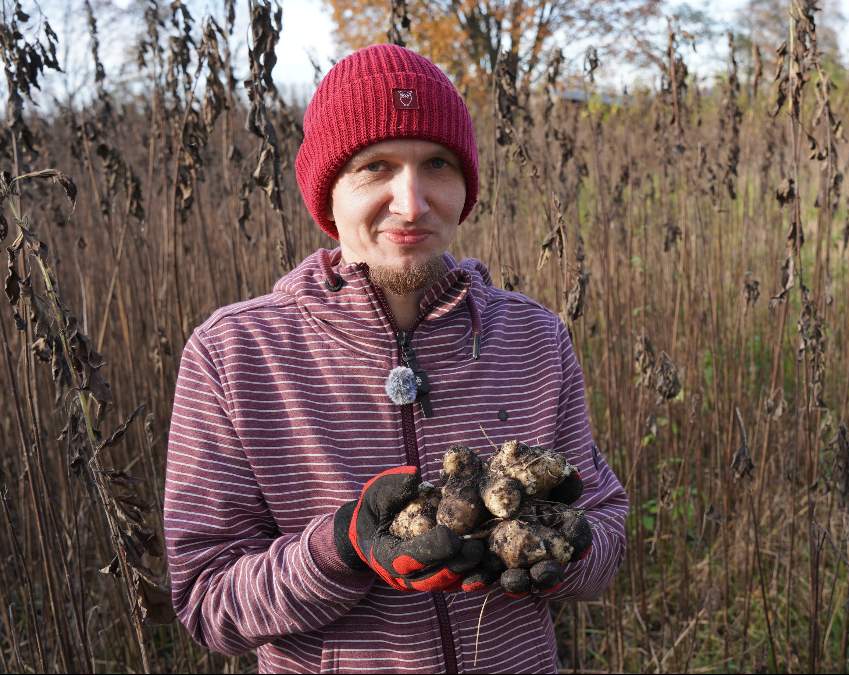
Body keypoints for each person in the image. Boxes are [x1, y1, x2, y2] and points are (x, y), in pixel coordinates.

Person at [163, 43, 628, 673]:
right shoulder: (236, 355)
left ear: (464, 186)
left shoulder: (534, 337)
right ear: (326, 194)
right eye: (374, 167)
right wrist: (339, 549)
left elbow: (605, 524)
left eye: (436, 163)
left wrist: (565, 552)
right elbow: (205, 602)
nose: (411, 204)